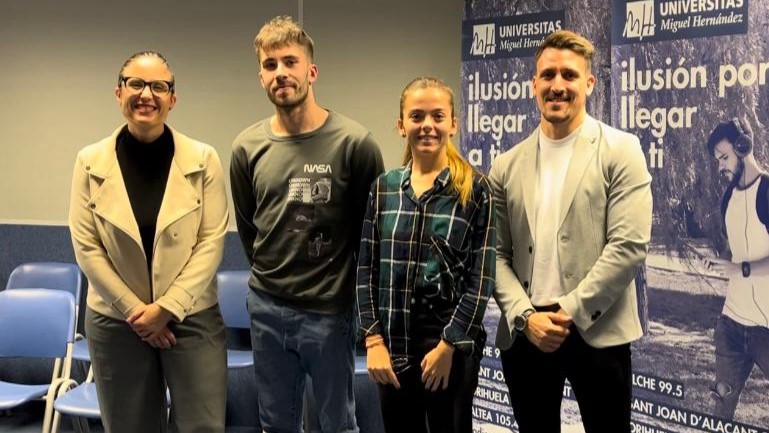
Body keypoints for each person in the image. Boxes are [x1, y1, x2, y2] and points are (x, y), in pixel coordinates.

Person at [488, 30, 653, 433]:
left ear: (589, 83)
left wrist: (568, 312)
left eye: (569, 75)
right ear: (534, 85)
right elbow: (494, 254)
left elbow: (628, 247)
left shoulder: (622, 150)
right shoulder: (505, 165)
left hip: (597, 330)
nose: (557, 85)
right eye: (547, 75)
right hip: (527, 333)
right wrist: (526, 317)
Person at [229, 16, 384, 433]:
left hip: (329, 312)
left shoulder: (355, 143)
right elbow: (251, 229)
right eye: (270, 65)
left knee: (338, 425)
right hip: (267, 309)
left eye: (290, 62)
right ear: (261, 77)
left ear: (311, 71)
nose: (280, 72)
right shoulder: (246, 148)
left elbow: (371, 236)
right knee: (276, 425)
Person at [68, 51, 229, 433]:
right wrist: (138, 314)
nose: (146, 95)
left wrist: (167, 309)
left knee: (202, 426)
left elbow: (211, 241)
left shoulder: (203, 159)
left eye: (158, 86)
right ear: (118, 92)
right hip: (116, 319)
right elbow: (87, 247)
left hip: (191, 315)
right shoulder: (89, 161)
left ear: (172, 98)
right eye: (136, 84)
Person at [356, 77, 496, 433]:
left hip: (448, 347)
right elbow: (366, 270)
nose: (427, 125)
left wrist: (449, 345)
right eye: (417, 116)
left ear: (453, 124)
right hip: (392, 344)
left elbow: (481, 280)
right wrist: (373, 340)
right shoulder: (383, 188)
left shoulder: (475, 190)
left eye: (438, 116)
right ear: (401, 125)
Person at [705, 118, 769, 420]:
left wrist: (740, 269)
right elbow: (739, 250)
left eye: (724, 157)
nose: (720, 166)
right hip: (730, 325)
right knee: (720, 412)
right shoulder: (728, 198)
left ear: (743, 147)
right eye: (717, 160)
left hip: (766, 327)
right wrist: (722, 260)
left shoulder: (767, 191)